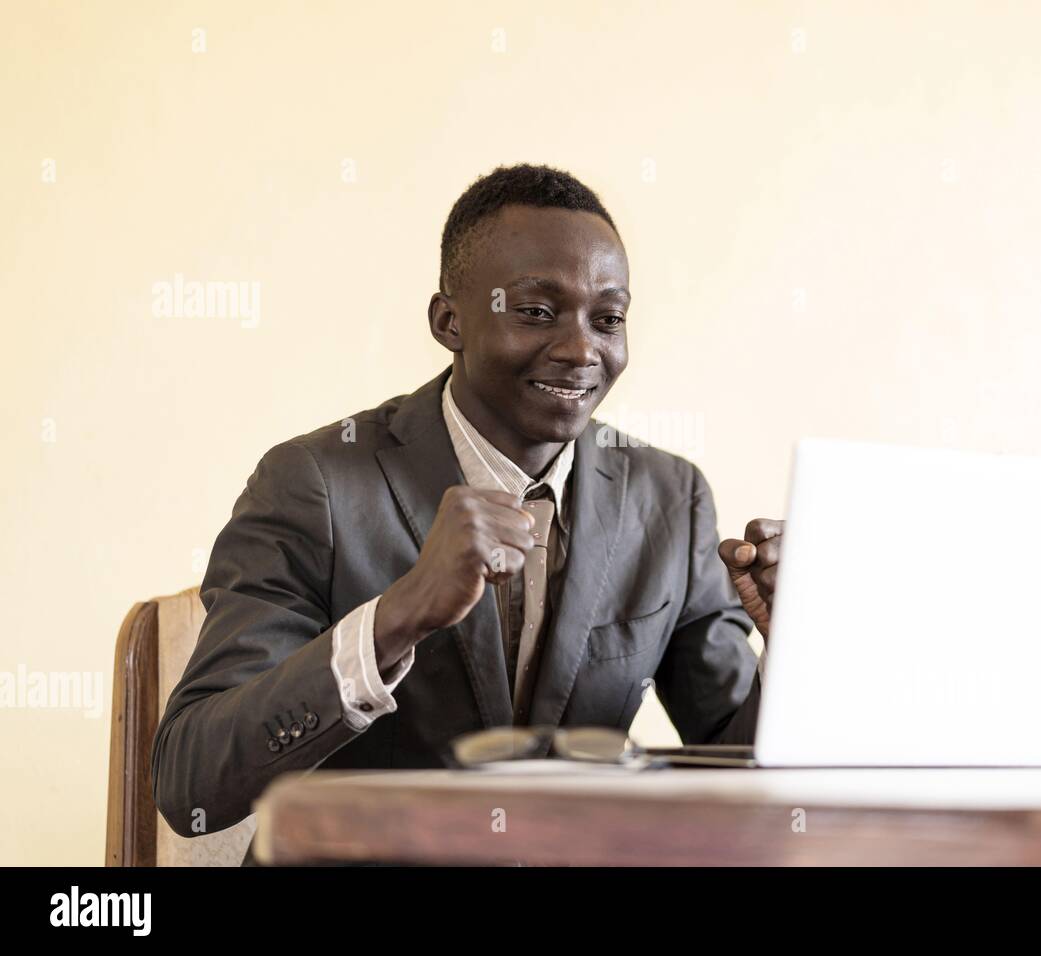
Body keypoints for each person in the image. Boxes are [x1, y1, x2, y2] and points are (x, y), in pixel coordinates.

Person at [151, 164, 783, 859]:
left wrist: (796, 651)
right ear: (449, 321)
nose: (580, 350)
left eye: (608, 319)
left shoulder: (671, 497)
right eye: (536, 312)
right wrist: (396, 618)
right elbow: (192, 786)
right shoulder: (314, 483)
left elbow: (741, 768)